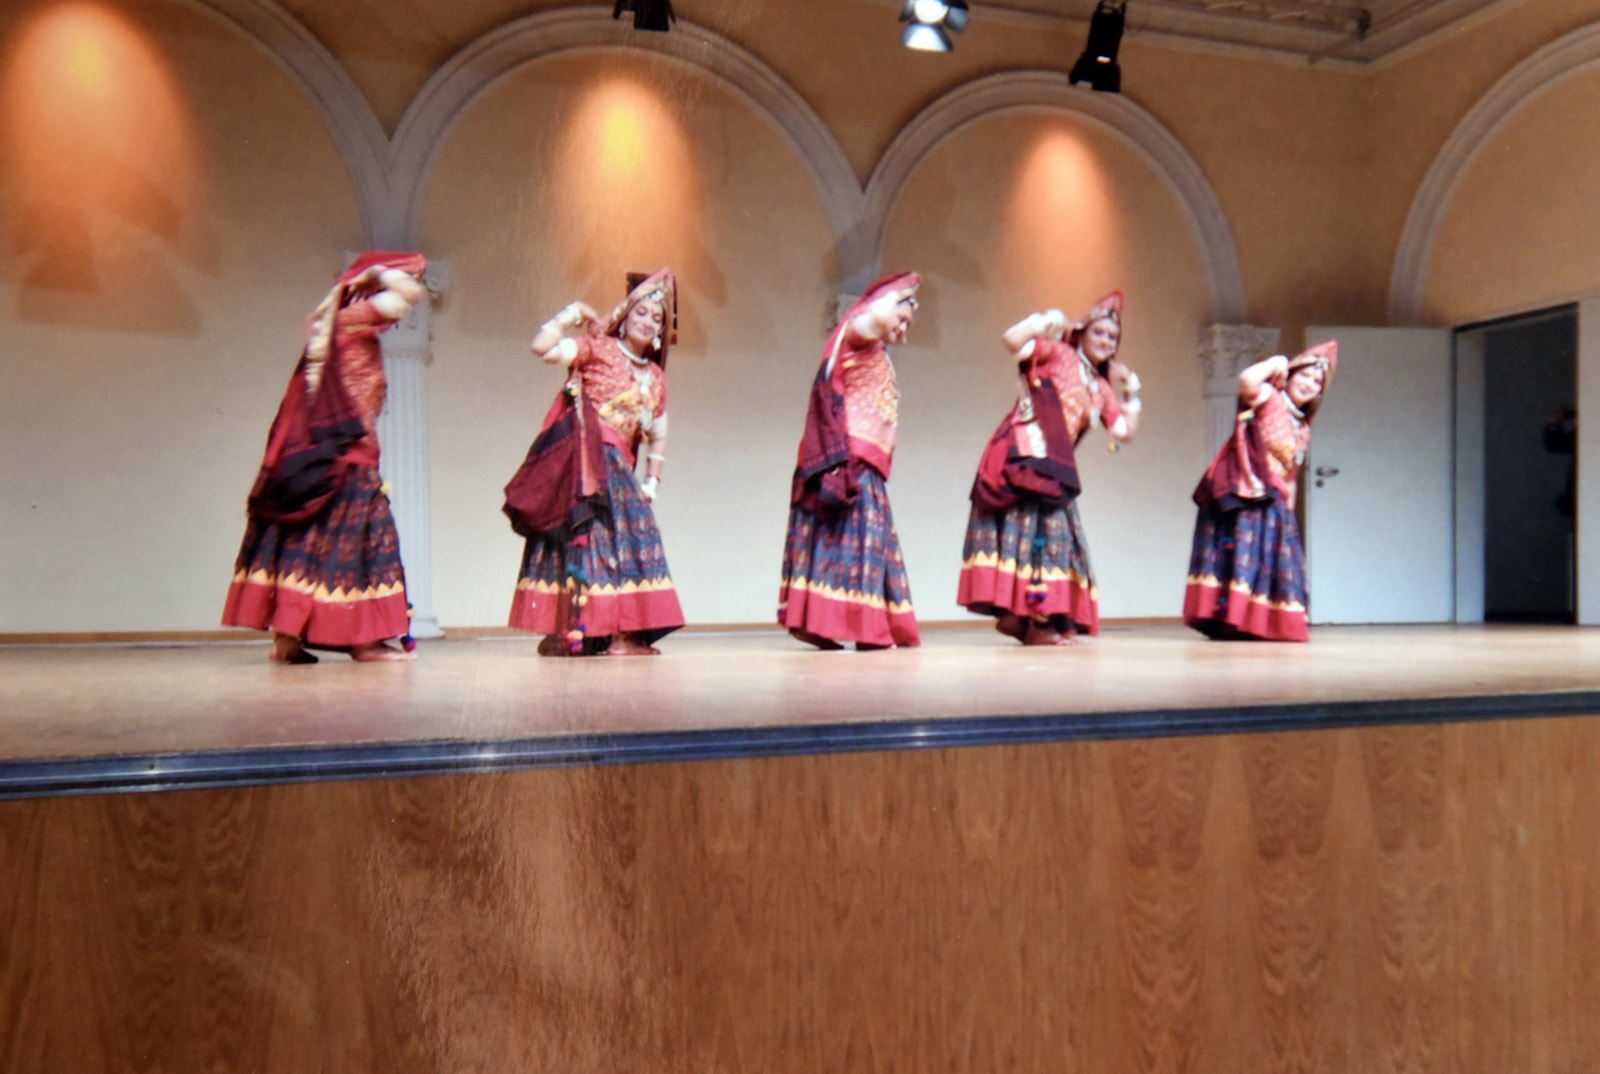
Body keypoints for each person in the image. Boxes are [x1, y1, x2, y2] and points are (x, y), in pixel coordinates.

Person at [222, 252, 427, 663]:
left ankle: (287, 641)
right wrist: (378, 274)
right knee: (365, 542)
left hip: (332, 455)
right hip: (347, 458)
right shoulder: (351, 320)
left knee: (309, 541)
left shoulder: (340, 326)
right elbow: (409, 294)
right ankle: (365, 643)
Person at [504, 269, 685, 656]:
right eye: (641, 312)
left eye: (656, 318)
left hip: (620, 469)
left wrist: (652, 481)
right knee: (587, 541)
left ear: (660, 331)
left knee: (627, 542)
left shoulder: (656, 377)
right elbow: (542, 347)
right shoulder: (598, 348)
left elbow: (658, 435)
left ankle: (615, 634)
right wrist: (573, 313)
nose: (647, 321)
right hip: (586, 463)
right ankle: (575, 631)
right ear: (624, 316)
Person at [957, 292, 1141, 645]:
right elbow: (1013, 341)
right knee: (1035, 538)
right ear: (1083, 332)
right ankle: (1034, 621)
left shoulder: (1101, 387)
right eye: (1099, 332)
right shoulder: (1058, 353)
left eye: (1113, 337)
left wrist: (1131, 390)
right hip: (1025, 457)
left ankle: (1024, 618)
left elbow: (1124, 432)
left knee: (1054, 542)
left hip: (1055, 471)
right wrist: (1045, 321)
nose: (1106, 341)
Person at [778, 272, 923, 650]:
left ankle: (825, 622)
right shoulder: (858, 333)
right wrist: (893, 297)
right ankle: (858, 628)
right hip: (850, 463)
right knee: (860, 543)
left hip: (865, 463)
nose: (903, 330)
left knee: (858, 543)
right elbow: (867, 319)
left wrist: (899, 307)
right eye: (902, 319)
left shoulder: (873, 348)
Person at [1183, 341, 1337, 642]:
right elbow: (1246, 381)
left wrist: (1287, 521)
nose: (1309, 384)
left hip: (1272, 499)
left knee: (1272, 560)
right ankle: (1231, 622)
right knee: (1240, 556)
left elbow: (1291, 476)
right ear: (1290, 374)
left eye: (1317, 382)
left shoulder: (1303, 427)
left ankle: (1258, 624)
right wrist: (1276, 361)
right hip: (1245, 494)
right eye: (1305, 375)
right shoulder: (1269, 396)